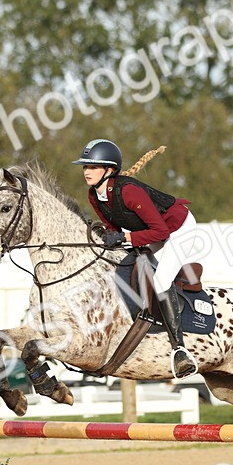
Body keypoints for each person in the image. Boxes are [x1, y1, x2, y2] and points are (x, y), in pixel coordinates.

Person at [72, 138, 202, 378]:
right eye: (85, 167)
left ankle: (180, 350)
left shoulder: (129, 191)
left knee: (162, 280)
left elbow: (161, 232)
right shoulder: (94, 195)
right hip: (152, 231)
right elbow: (114, 226)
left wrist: (124, 238)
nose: (86, 172)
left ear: (109, 170)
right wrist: (111, 236)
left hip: (178, 229)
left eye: (92, 167)